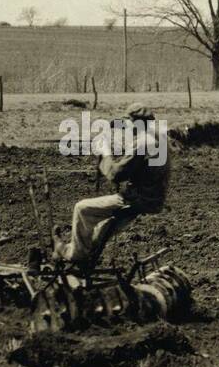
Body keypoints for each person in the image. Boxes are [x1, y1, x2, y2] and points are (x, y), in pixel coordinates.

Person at [55, 103, 170, 271]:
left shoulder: (143, 142)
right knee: (102, 227)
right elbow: (139, 164)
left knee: (82, 208)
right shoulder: (158, 138)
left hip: (136, 198)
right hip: (154, 198)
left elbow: (116, 175)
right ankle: (86, 260)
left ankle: (76, 255)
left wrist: (105, 151)